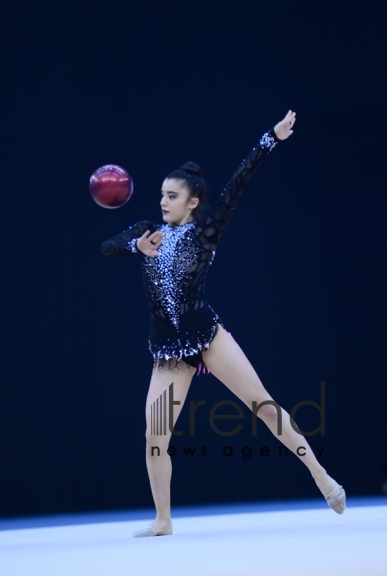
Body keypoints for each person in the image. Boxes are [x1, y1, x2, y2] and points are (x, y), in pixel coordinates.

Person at [100, 110, 346, 537]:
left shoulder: (206, 232)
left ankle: (321, 477)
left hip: (207, 336)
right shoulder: (148, 232)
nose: (163, 201)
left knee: (263, 405)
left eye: (172, 196)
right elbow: (108, 246)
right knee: (154, 434)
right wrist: (135, 246)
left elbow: (238, 181)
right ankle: (163, 520)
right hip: (170, 352)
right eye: (161, 194)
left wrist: (271, 137)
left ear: (193, 202)